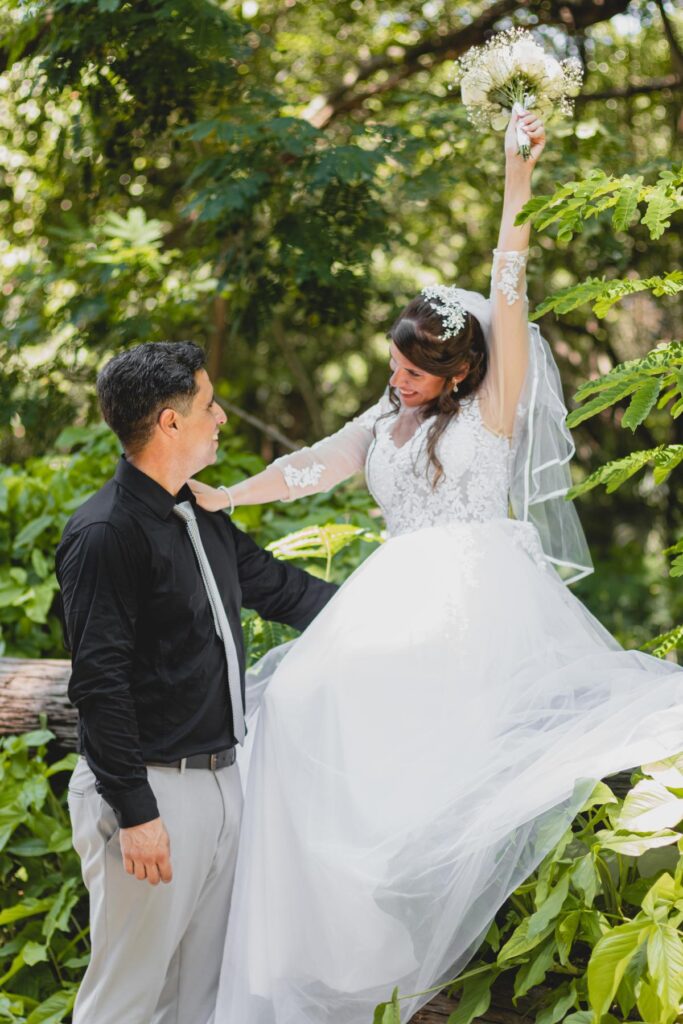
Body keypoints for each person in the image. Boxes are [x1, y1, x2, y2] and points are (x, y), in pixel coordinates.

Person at [195, 111, 683, 1024]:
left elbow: (508, 282)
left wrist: (515, 182)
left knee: (425, 749)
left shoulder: (490, 409)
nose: (401, 376)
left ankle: (404, 927)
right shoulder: (384, 420)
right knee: (298, 708)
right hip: (389, 595)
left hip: (474, 594)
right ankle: (344, 945)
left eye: (420, 369)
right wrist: (229, 496)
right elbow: (312, 464)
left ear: (459, 374)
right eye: (397, 360)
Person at [55, 341, 336, 1024]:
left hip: (220, 782)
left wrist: (401, 612)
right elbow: (99, 682)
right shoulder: (104, 533)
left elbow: (282, 590)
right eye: (210, 405)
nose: (222, 419)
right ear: (169, 422)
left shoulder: (200, 515)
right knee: (123, 1001)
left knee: (200, 1002)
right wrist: (137, 811)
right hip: (152, 796)